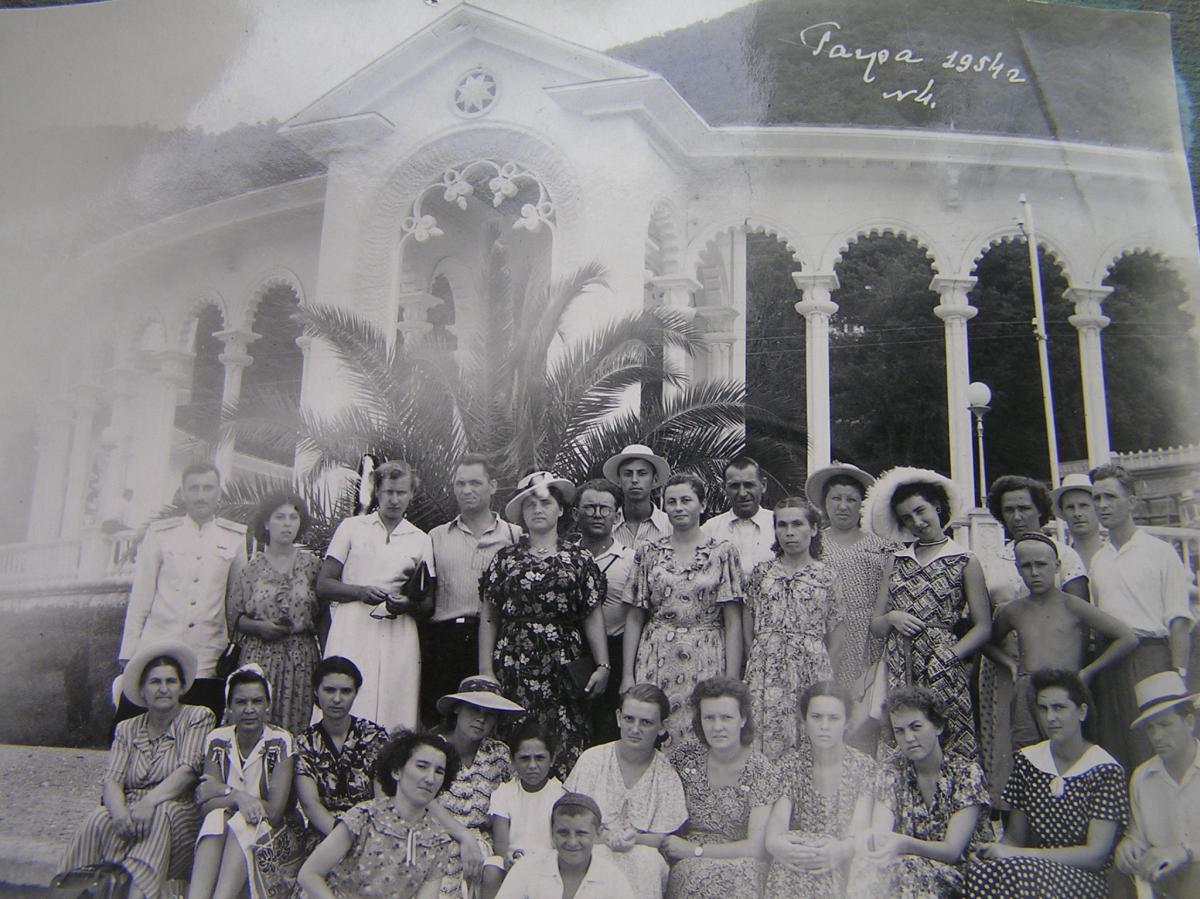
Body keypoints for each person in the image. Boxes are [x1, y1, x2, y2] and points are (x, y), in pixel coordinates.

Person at [59, 642, 214, 899]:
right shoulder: (127, 728)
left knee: (159, 815)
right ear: (142, 689)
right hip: (131, 807)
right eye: (155, 682)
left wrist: (149, 803)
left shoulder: (197, 717)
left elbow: (188, 771)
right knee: (99, 817)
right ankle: (74, 889)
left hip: (177, 807)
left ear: (181, 687)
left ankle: (136, 894)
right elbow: (112, 780)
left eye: (171, 681)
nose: (163, 689)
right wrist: (119, 812)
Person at [479, 471, 609, 775]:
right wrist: (486, 670)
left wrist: (603, 665)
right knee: (515, 738)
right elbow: (489, 616)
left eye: (546, 503)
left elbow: (591, 613)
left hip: (564, 666)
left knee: (565, 741)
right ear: (523, 514)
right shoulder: (505, 559)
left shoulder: (579, 559)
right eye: (531, 504)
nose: (538, 510)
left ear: (561, 509)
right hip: (514, 663)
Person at [968, 669, 1129, 898]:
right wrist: (991, 854)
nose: (1050, 717)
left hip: (1088, 880)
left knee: (1020, 873)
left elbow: (1095, 856)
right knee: (980, 873)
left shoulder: (1104, 769)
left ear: (1082, 712)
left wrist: (1027, 857)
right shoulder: (1029, 761)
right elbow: (1015, 838)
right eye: (1043, 709)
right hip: (1033, 872)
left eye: (1059, 708)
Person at [978, 475, 1090, 804]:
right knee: (1010, 738)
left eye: (1024, 508)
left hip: (1053, 661)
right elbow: (983, 622)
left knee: (1054, 731)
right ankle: (1015, 810)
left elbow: (1080, 620)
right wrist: (1008, 662)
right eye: (1008, 510)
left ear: (1040, 509)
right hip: (1005, 666)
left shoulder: (1063, 555)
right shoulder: (992, 559)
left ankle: (1062, 807)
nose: (1017, 516)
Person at [865, 467, 991, 759]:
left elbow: (984, 626)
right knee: (902, 737)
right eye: (907, 518)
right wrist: (893, 618)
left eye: (920, 511)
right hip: (901, 662)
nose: (917, 522)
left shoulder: (964, 560)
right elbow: (876, 625)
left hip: (942, 662)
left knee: (946, 735)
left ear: (937, 506)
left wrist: (949, 657)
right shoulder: (897, 560)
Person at [117, 462, 247, 726]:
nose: (201, 496)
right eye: (194, 488)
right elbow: (141, 597)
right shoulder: (161, 534)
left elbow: (235, 603)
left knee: (200, 731)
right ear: (183, 493)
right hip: (159, 650)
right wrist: (129, 651)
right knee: (139, 729)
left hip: (207, 655)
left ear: (218, 492)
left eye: (208, 488)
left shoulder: (234, 538)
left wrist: (234, 652)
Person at [623, 473, 744, 744]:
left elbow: (733, 621)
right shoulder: (648, 552)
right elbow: (635, 616)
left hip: (707, 654)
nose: (678, 507)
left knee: (703, 729)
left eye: (686, 500)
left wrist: (732, 679)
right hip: (656, 654)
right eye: (672, 501)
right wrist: (627, 675)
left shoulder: (723, 552)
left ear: (702, 505)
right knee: (654, 727)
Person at [988, 532, 1136, 748]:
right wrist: (1010, 664)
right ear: (1017, 569)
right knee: (1026, 751)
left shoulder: (1072, 605)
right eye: (1027, 566)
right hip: (1028, 690)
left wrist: (1088, 671)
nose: (1035, 572)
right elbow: (987, 642)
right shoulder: (1013, 610)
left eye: (1041, 564)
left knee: (1070, 749)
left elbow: (1127, 637)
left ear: (1057, 566)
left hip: (1066, 687)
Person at [1089, 462, 1193, 769]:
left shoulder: (1159, 552)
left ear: (1132, 501)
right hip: (1111, 661)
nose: (1102, 505)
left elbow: (1178, 618)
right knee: (1117, 746)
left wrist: (1178, 674)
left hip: (1151, 658)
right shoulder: (1098, 559)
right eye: (1097, 498)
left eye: (1110, 497)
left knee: (1154, 748)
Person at [317, 459, 433, 732]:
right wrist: (360, 591)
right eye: (388, 491)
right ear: (377, 491)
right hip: (352, 625)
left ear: (411, 495)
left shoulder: (420, 539)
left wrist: (407, 604)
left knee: (395, 698)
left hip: (397, 630)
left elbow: (427, 602)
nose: (394, 499)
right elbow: (324, 584)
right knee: (350, 692)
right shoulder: (352, 527)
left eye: (401, 492)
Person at [849, 686, 990, 899]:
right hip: (909, 871)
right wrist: (876, 841)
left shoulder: (966, 773)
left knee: (905, 869)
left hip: (964, 876)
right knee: (868, 864)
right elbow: (882, 833)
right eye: (899, 731)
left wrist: (904, 843)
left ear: (938, 726)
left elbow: (952, 851)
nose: (909, 738)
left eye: (916, 727)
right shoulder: (893, 770)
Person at [296, 730, 460, 899]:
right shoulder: (364, 816)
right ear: (396, 771)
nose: (430, 779)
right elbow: (309, 874)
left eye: (439, 771)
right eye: (422, 766)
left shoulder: (437, 839)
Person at [188, 664, 304, 899]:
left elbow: (274, 813)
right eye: (241, 702)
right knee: (216, 817)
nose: (249, 709)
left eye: (257, 701)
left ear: (267, 706)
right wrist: (237, 797)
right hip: (229, 828)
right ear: (229, 708)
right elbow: (205, 805)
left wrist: (223, 793)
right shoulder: (217, 739)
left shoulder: (281, 741)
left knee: (242, 822)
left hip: (278, 835)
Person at [743, 497, 846, 759]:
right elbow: (748, 625)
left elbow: (837, 632)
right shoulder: (761, 574)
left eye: (798, 524)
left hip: (811, 667)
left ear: (813, 529)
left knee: (808, 734)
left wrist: (825, 675)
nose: (789, 532)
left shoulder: (827, 576)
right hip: (765, 668)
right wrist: (758, 658)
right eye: (782, 525)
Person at [564, 684, 688, 899]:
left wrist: (634, 840)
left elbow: (662, 838)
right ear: (618, 717)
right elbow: (570, 819)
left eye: (646, 722)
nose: (635, 729)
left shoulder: (665, 773)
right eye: (629, 719)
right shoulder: (592, 759)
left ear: (662, 727)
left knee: (646, 860)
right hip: (591, 846)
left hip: (642, 856)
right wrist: (605, 837)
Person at [424, 454, 522, 725]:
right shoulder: (435, 537)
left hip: (497, 641)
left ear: (493, 486)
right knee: (441, 721)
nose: (467, 490)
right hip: (445, 642)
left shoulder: (514, 536)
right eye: (460, 483)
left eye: (475, 483)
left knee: (491, 721)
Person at [663, 677, 780, 898]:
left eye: (726, 717)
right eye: (709, 718)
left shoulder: (759, 769)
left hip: (740, 860)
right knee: (694, 875)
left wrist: (696, 850)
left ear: (742, 719)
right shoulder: (685, 757)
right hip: (687, 861)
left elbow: (756, 846)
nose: (717, 727)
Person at [764, 681, 874, 899]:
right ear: (804, 722)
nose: (824, 726)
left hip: (845, 854)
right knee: (784, 868)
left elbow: (859, 829)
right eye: (816, 717)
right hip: (802, 854)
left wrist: (839, 851)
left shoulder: (863, 767)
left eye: (833, 718)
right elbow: (776, 828)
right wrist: (786, 849)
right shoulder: (792, 765)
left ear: (846, 723)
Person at [227, 492, 321, 735]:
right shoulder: (252, 568)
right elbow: (235, 617)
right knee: (255, 723)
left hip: (301, 659)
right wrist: (259, 627)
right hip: (260, 656)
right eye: (280, 517)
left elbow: (322, 617)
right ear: (267, 523)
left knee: (295, 728)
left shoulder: (312, 565)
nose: (287, 523)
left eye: (293, 517)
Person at [433, 676, 524, 898]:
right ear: (457, 709)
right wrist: (464, 836)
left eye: (489, 713)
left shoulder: (498, 754)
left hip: (488, 850)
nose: (481, 719)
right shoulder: (433, 749)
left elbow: (514, 800)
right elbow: (422, 800)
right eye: (474, 709)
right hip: (439, 842)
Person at [805, 462, 892, 688]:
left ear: (862, 504)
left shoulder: (883, 547)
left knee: (867, 696)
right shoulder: (812, 545)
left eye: (851, 500)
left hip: (870, 636)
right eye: (836, 499)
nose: (843, 506)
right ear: (825, 503)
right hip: (826, 634)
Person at [1116, 671, 1200, 899]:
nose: (1157, 736)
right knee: (1117, 878)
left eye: (1165, 725)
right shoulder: (1142, 778)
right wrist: (1128, 849)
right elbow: (1138, 838)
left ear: (1189, 722)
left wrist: (1186, 852)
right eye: (1150, 728)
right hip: (1166, 887)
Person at [293, 656, 389, 853]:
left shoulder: (374, 737)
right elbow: (310, 805)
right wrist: (344, 839)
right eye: (329, 690)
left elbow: (383, 799)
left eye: (346, 691)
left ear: (355, 693)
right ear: (316, 691)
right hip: (324, 833)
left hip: (371, 833)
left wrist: (367, 838)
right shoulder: (305, 742)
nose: (337, 699)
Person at [574, 478, 635, 743]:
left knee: (608, 731)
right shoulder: (565, 557)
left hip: (616, 652)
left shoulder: (632, 559)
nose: (597, 514)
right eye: (589, 507)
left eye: (604, 509)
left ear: (617, 516)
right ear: (576, 514)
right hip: (573, 653)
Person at [495, 792, 635, 899]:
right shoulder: (527, 868)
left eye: (581, 833)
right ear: (552, 833)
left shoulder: (612, 879)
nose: (572, 842)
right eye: (563, 833)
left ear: (598, 834)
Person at [483, 721, 567, 898]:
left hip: (548, 864)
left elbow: (561, 842)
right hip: (513, 864)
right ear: (513, 761)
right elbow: (501, 845)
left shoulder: (559, 795)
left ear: (552, 759)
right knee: (491, 868)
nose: (532, 765)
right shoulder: (504, 793)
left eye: (540, 758)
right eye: (524, 758)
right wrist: (509, 860)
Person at [702, 457, 775, 576]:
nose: (742, 493)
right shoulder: (710, 529)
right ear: (725, 488)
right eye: (735, 486)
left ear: (763, 485)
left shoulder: (779, 525)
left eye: (749, 485)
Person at [602, 444, 671, 549]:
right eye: (628, 474)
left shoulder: (671, 527)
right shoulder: (605, 526)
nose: (634, 480)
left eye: (642, 473)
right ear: (619, 480)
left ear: (654, 479)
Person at [1052, 473, 1107, 570]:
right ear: (1062, 512)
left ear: (1097, 508)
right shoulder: (1059, 559)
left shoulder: (1115, 554)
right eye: (1070, 507)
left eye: (1083, 505)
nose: (1077, 513)